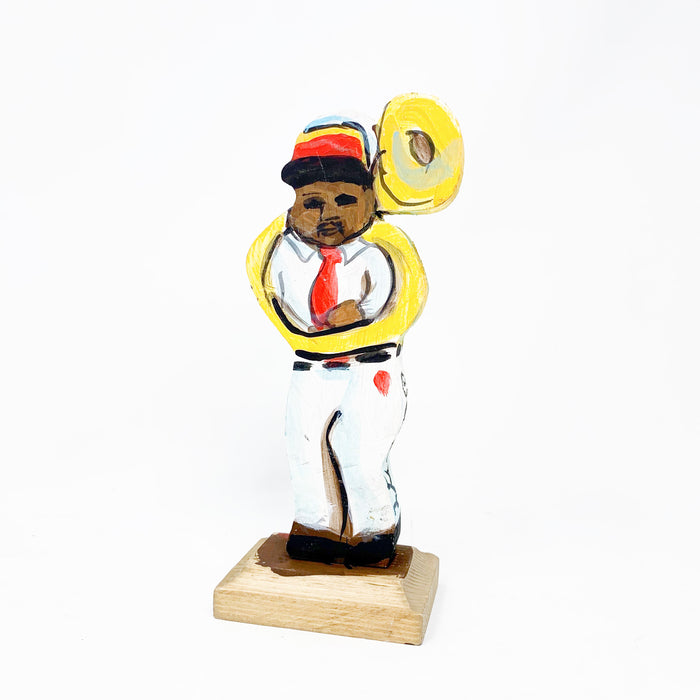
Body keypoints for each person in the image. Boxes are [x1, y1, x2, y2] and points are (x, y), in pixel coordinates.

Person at [249, 117, 427, 567]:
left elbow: (385, 293)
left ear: (370, 198)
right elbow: (282, 296)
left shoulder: (375, 251)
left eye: (345, 200)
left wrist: (358, 312)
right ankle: (318, 526)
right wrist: (310, 319)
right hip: (311, 367)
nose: (327, 213)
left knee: (359, 447)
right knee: (305, 443)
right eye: (312, 202)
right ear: (294, 204)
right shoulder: (286, 252)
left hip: (370, 367)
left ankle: (373, 529)